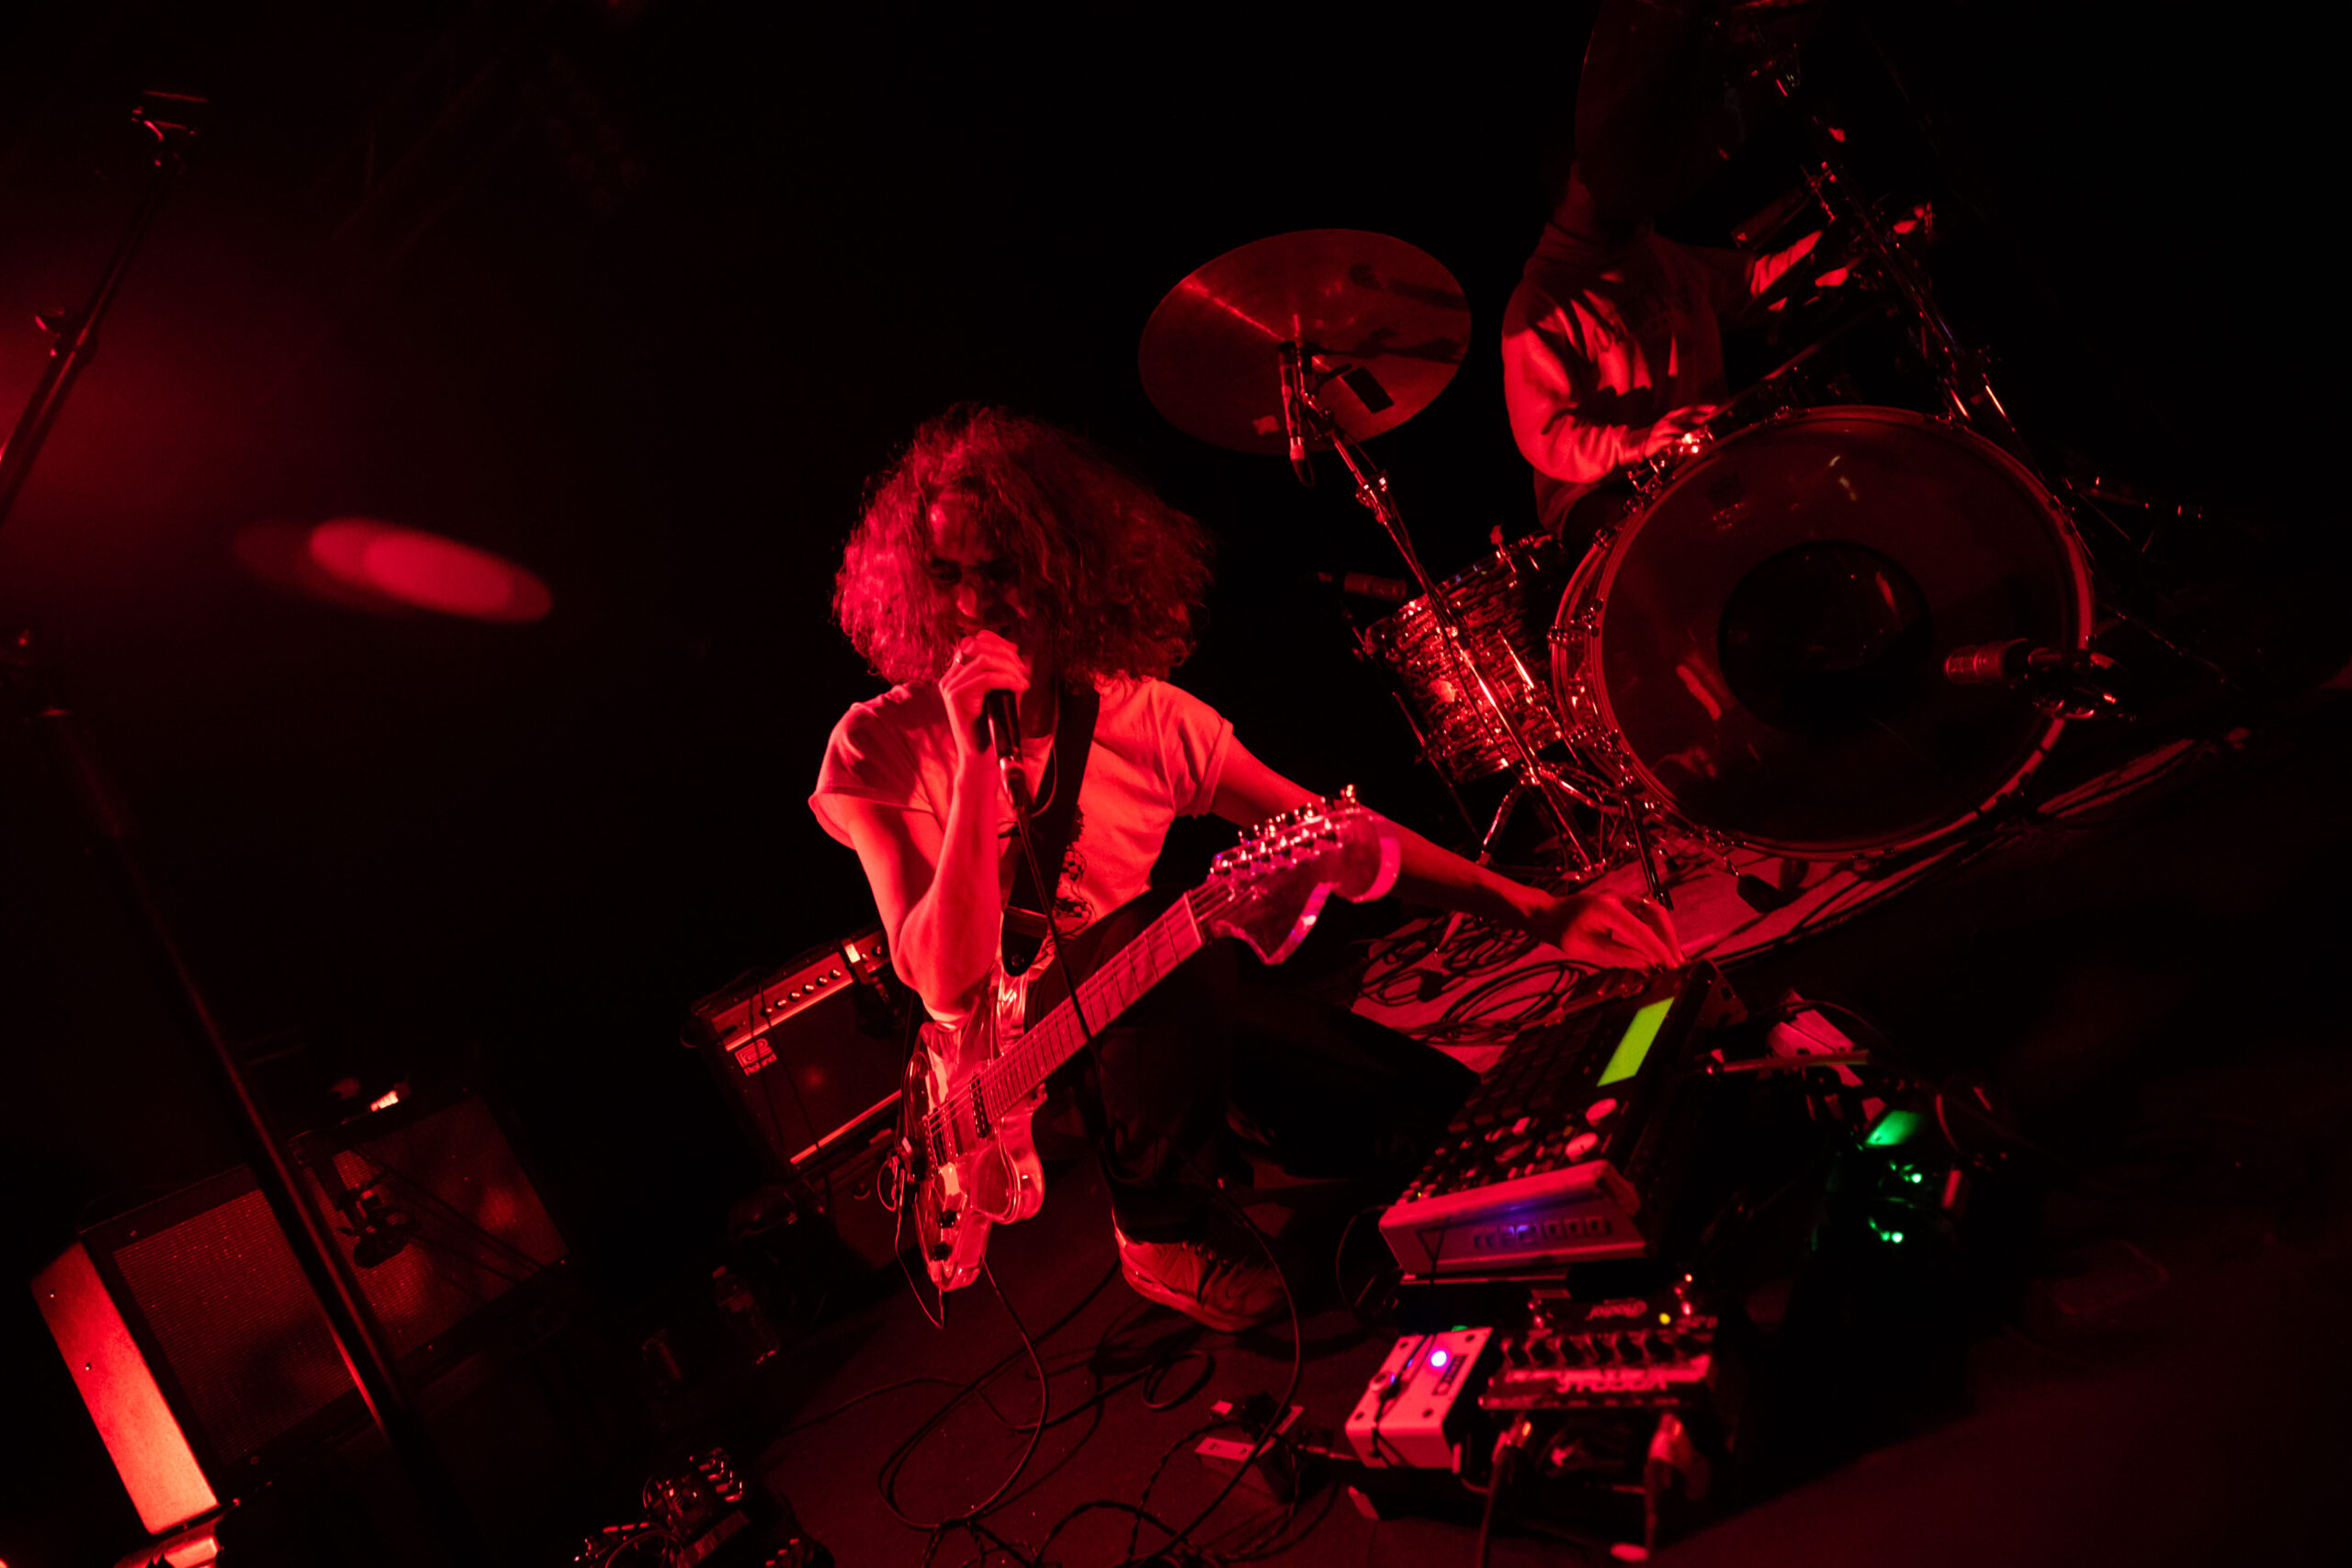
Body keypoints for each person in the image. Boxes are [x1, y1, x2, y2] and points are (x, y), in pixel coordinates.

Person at [810, 406, 1680, 1331]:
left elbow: (1335, 830)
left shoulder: (1140, 716)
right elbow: (942, 984)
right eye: (945, 576)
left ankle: (1239, 1146)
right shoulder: (877, 743)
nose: (973, 607)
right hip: (1021, 1075)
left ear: (1063, 570)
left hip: (1159, 1028)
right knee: (1159, 940)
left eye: (1002, 573)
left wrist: (1535, 909)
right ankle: (1156, 1231)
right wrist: (974, 761)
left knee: (1441, 1119)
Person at [1502, 160, 1821, 538]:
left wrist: (1838, 246)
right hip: (1602, 491)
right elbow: (1548, 436)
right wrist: (1636, 444)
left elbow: (1753, 283)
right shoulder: (1538, 306)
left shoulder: (1654, 253)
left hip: (1697, 457)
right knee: (1662, 540)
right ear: (1580, 177)